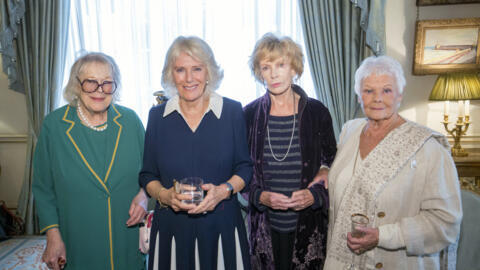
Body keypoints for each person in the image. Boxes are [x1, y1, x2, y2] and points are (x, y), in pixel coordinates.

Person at [324, 55, 462, 269]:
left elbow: (445, 222)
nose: (377, 98)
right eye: (368, 91)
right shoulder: (349, 131)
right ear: (358, 96)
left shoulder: (428, 148)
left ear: (400, 95)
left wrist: (383, 235)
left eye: (387, 90)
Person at [139, 36, 253, 270]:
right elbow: (147, 175)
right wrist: (165, 196)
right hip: (171, 228)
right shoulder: (157, 117)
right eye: (180, 70)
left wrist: (223, 191)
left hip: (222, 227)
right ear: (171, 75)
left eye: (197, 69)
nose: (189, 78)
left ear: (209, 72)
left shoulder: (231, 111)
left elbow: (245, 167)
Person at [32, 52, 147, 270]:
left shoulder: (130, 121)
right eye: (90, 82)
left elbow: (151, 171)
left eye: (106, 83)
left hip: (126, 238)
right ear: (76, 85)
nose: (99, 90)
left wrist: (143, 195)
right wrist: (53, 235)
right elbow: (43, 188)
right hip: (79, 240)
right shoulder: (54, 126)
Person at [243, 33, 337, 269]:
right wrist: (258, 196)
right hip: (264, 228)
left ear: (294, 68)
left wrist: (315, 195)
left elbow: (333, 164)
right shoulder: (249, 115)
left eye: (281, 65)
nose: (274, 74)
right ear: (259, 73)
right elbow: (240, 170)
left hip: (308, 229)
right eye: (266, 67)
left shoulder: (318, 112)